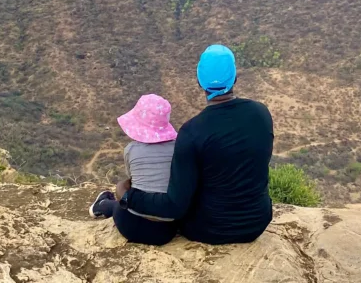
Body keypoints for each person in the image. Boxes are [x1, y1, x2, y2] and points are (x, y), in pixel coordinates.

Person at [114, 44, 274, 245]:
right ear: (235, 78)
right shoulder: (262, 115)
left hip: (208, 229)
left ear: (200, 82)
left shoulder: (192, 132)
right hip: (257, 223)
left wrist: (127, 196)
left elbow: (174, 206)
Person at [88, 94, 180, 246]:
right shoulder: (178, 147)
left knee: (120, 202)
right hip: (166, 231)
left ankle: (101, 205)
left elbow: (133, 181)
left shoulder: (131, 150)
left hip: (131, 225)